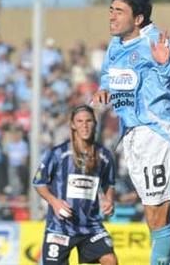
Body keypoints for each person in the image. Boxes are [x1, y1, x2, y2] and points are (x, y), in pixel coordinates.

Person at [92, 0, 170, 265]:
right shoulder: (115, 44)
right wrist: (104, 89)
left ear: (138, 19)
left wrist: (167, 62)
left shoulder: (154, 40)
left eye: (119, 11)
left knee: (155, 215)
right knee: (162, 216)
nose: (111, 16)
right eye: (111, 10)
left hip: (158, 133)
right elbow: (107, 75)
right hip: (133, 136)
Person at [33, 105, 117, 265]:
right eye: (80, 121)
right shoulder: (58, 153)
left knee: (110, 260)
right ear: (72, 125)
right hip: (60, 227)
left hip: (91, 226)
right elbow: (39, 182)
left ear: (95, 123)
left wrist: (109, 199)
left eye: (88, 121)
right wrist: (54, 202)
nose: (84, 125)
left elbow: (109, 183)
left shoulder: (104, 155)